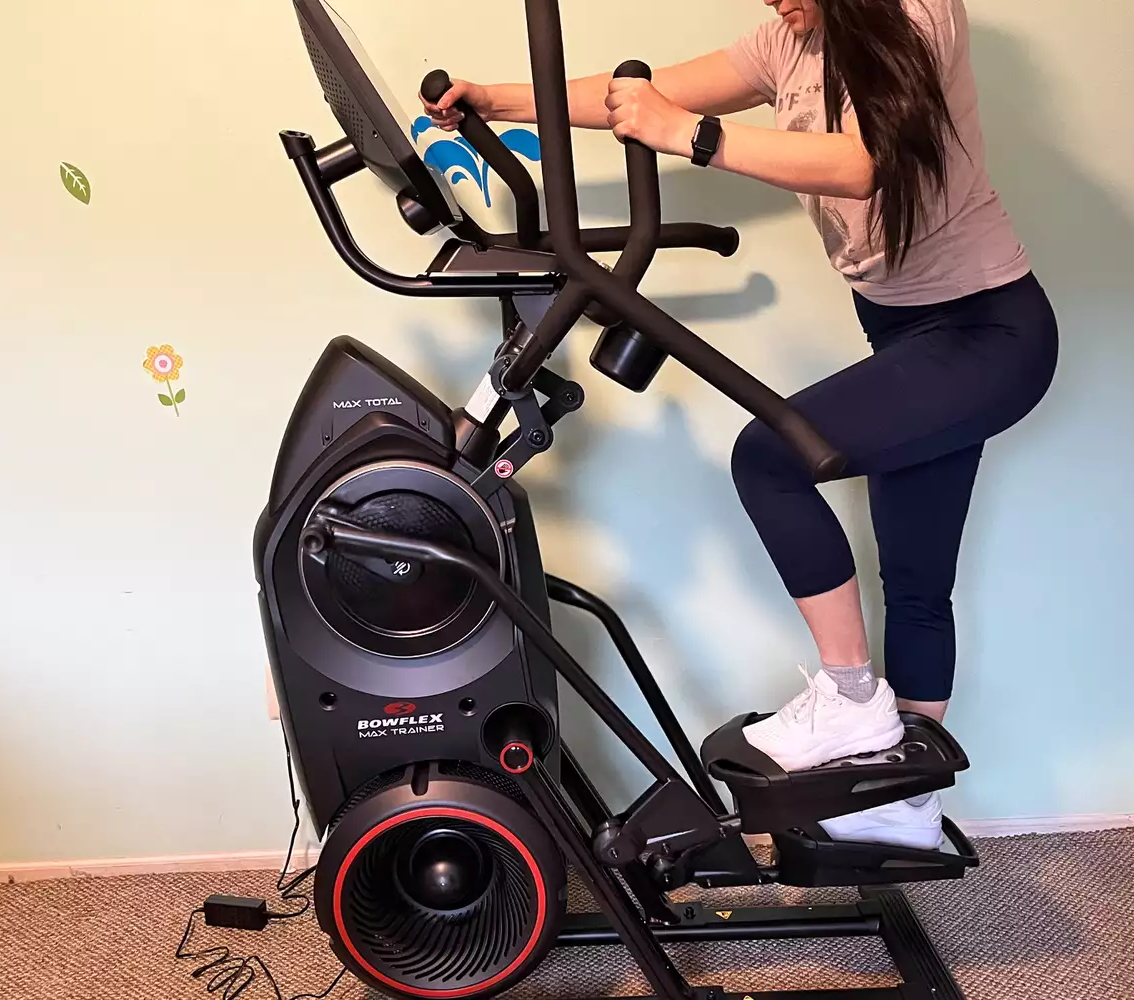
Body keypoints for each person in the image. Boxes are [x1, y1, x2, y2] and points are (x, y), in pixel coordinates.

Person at [423, 0, 1058, 849]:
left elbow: (866, 164)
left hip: (990, 333)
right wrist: (497, 101)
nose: (770, 1)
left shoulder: (921, 10)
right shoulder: (784, 43)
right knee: (914, 577)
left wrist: (695, 136)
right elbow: (633, 93)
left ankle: (851, 700)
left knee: (771, 457)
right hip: (913, 333)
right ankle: (906, 807)